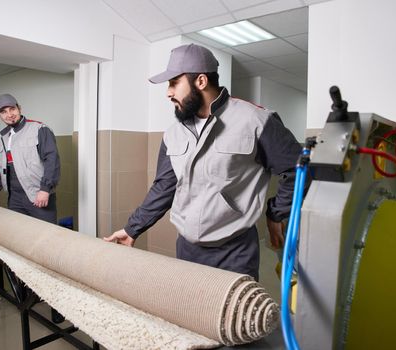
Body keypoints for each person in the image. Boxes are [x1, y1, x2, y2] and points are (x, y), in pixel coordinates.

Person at [105, 44, 304, 281]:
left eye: (173, 83)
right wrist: (132, 229)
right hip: (188, 250)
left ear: (200, 81)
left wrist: (276, 212)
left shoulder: (256, 120)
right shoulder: (173, 133)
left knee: (233, 317)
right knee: (191, 313)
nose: (168, 93)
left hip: (235, 253)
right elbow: (164, 187)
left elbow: (297, 168)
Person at [0, 93, 63, 322]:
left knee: (47, 250)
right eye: (3, 112)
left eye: (11, 109)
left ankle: (57, 306)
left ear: (19, 108)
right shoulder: (1, 139)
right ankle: (27, 295)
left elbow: (52, 160)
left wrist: (46, 188)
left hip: (38, 197)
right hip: (15, 200)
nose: (9, 114)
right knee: (21, 248)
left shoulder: (39, 129)